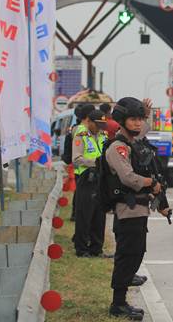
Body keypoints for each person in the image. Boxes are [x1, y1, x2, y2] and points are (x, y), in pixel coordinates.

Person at [105, 97, 171, 320]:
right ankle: (118, 304)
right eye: (133, 119)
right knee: (128, 256)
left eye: (140, 119)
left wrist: (147, 114)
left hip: (139, 209)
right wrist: (150, 183)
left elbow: (144, 132)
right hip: (128, 209)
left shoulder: (131, 142)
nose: (138, 123)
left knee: (135, 254)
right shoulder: (118, 147)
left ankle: (120, 302)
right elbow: (129, 178)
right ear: (122, 121)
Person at [73, 108, 108, 257]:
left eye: (102, 124)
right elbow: (76, 159)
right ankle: (81, 249)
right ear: (89, 122)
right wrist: (95, 163)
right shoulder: (81, 134)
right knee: (84, 215)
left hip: (101, 178)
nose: (100, 127)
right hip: (86, 178)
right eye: (97, 124)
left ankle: (96, 248)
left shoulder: (103, 135)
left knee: (100, 215)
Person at [69, 104, 95, 221]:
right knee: (82, 197)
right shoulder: (80, 130)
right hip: (83, 169)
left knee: (82, 196)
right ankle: (77, 215)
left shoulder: (88, 129)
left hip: (87, 169)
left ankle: (77, 215)